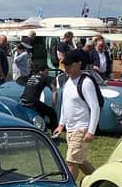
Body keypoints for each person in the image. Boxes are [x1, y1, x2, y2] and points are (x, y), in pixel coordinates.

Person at [52, 50, 100, 180]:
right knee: (81, 161)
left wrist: (91, 131)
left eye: (69, 65)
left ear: (79, 64)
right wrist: (61, 124)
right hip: (71, 129)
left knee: (72, 162)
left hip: (81, 128)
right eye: (65, 65)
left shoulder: (86, 83)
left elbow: (95, 107)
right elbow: (65, 104)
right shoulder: (67, 82)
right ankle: (100, 181)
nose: (66, 68)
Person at [20, 63, 58, 132]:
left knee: (42, 111)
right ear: (45, 70)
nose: (48, 73)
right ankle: (55, 134)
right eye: (48, 71)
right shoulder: (45, 77)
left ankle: (43, 130)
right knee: (52, 113)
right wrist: (54, 106)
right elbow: (55, 91)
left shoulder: (32, 76)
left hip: (23, 100)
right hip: (33, 102)